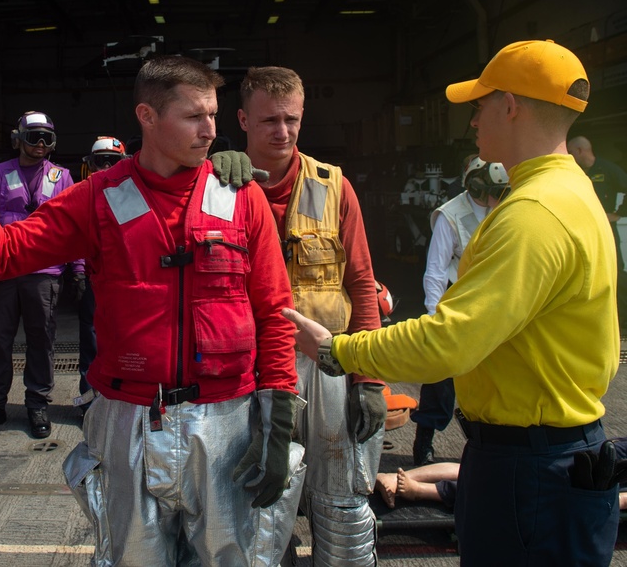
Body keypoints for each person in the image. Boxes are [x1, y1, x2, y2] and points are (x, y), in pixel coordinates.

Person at [286, 39, 621, 566]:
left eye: (480, 105)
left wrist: (341, 350)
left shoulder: (533, 213)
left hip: (529, 469)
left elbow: (449, 341)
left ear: (511, 105)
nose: (473, 121)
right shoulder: (571, 193)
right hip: (550, 454)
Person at [0, 55, 305, 565]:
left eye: (213, 115)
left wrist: (278, 412)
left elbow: (274, 312)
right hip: (127, 419)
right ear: (147, 117)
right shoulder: (97, 198)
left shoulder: (241, 198)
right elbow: (2, 252)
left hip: (225, 420)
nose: (210, 131)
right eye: (194, 116)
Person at [236, 65, 385, 566]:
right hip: (252, 365)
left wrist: (368, 377)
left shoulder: (334, 188)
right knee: (258, 497)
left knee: (341, 493)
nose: (282, 132)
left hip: (328, 364)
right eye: (269, 121)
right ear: (242, 120)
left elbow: (362, 283)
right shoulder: (218, 187)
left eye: (292, 120)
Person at [0, 111, 83, 439]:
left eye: (47, 138)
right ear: (18, 138)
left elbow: (72, 227)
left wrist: (77, 268)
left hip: (44, 272)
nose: (41, 144)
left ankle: (37, 405)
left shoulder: (62, 177)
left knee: (41, 341)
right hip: (5, 270)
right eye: (33, 137)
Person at [412, 156, 509, 466]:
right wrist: (433, 314)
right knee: (441, 376)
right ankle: (424, 441)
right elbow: (436, 269)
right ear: (476, 185)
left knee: (495, 376)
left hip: (495, 300)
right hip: (456, 297)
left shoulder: (508, 208)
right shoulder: (450, 215)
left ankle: (489, 444)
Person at [74, 136, 128, 414]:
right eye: (100, 161)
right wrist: (79, 274)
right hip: (93, 281)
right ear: (89, 164)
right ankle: (89, 400)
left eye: (113, 160)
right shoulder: (84, 194)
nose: (106, 166)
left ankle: (119, 401)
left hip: (124, 283)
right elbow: (75, 237)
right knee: (91, 343)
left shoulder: (133, 194)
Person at [568, 135, 627, 329]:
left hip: (606, 230)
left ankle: (619, 324)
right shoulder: (573, 173)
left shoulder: (608, 169)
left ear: (579, 151)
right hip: (581, 231)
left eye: (571, 153)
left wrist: (618, 214)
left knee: (614, 274)